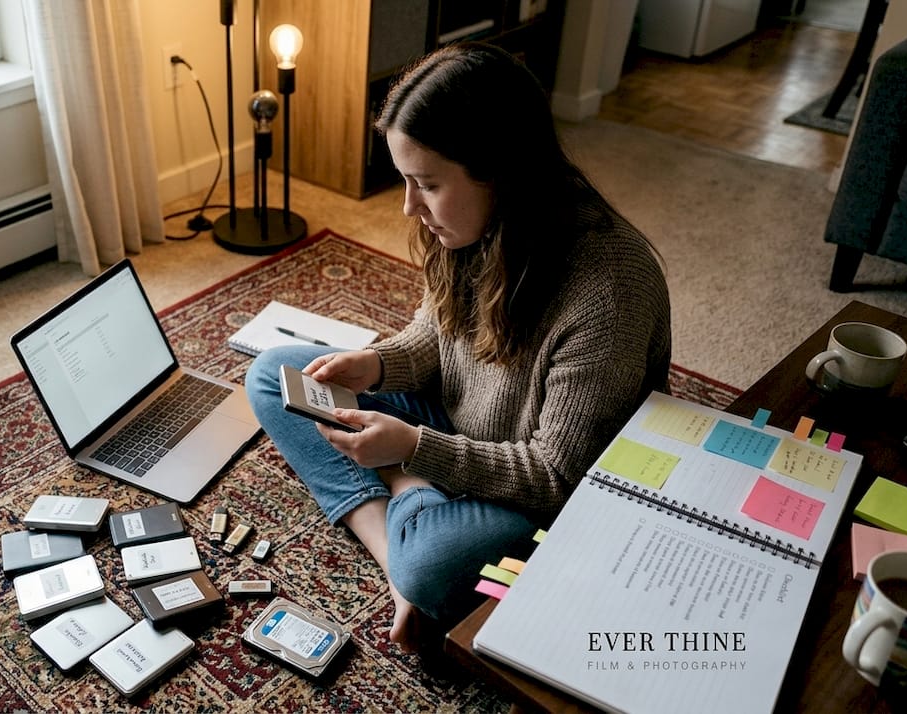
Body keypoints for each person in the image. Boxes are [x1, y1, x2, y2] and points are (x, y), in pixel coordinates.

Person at [244, 42, 672, 653]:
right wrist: (378, 364)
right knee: (272, 373)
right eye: (406, 181)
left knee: (433, 564)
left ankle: (404, 505)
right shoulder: (473, 225)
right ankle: (392, 551)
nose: (408, 206)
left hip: (542, 484)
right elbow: (437, 336)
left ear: (499, 171)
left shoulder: (609, 288)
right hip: (459, 426)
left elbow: (557, 475)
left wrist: (411, 453)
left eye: (427, 184)